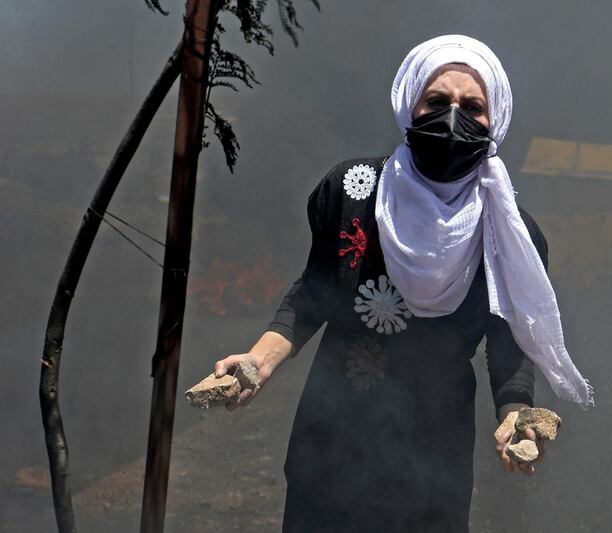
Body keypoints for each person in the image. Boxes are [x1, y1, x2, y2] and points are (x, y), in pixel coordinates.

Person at [214, 34, 592, 533]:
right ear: (409, 106)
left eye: (472, 107)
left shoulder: (508, 235)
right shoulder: (351, 191)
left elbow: (510, 347)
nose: (452, 117)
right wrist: (256, 363)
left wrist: (517, 416)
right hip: (329, 444)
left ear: (494, 120)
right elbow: (312, 295)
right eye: (436, 102)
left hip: (433, 455)